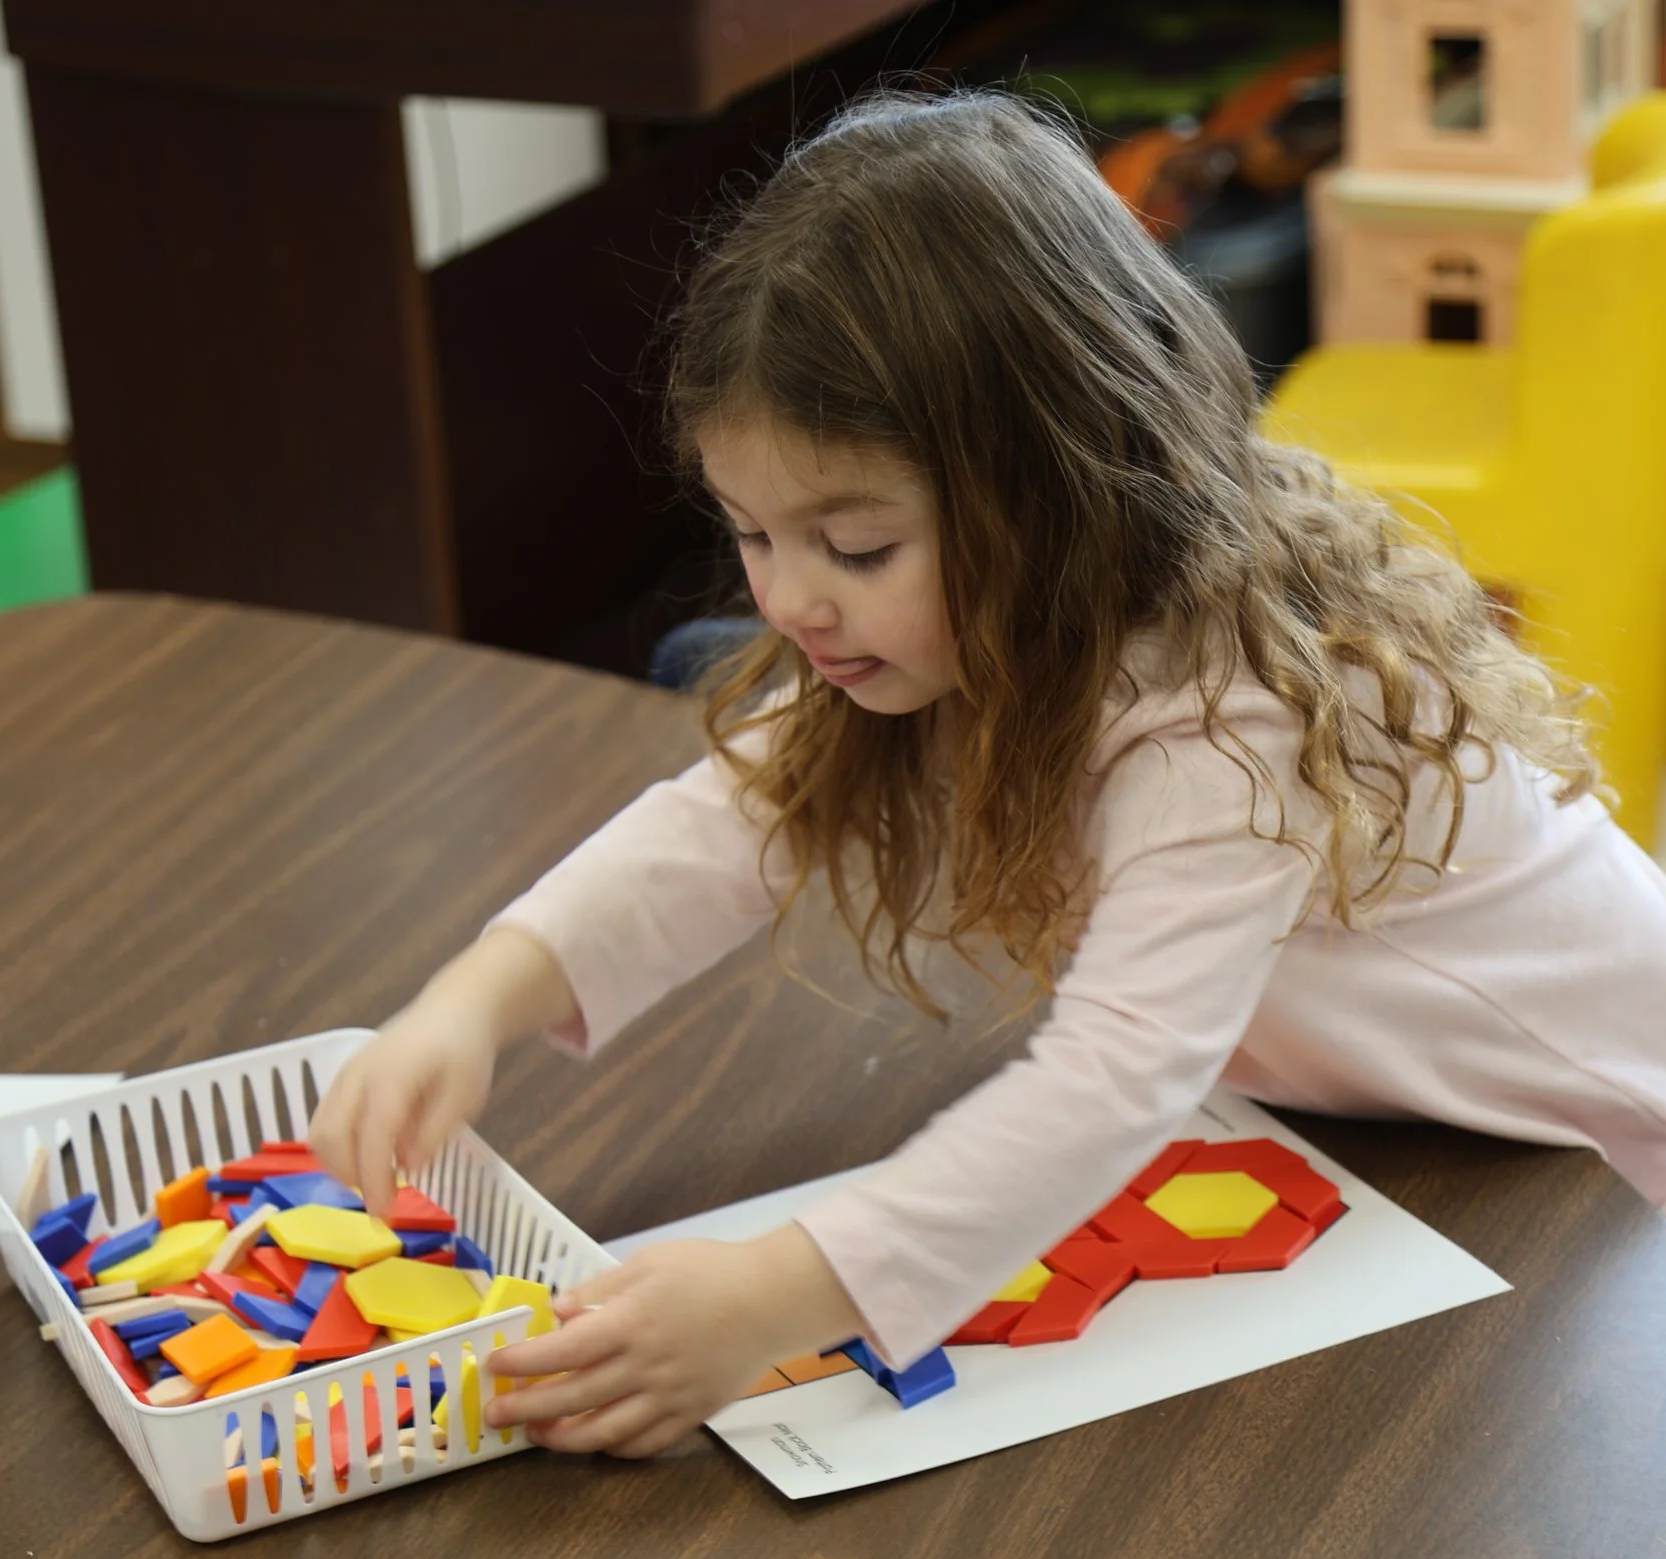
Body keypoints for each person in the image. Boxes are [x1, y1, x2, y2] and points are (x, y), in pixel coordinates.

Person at [308, 89, 1666, 1460]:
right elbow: (728, 818)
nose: (790, 602)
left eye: (852, 546)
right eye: (753, 534)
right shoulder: (969, 621)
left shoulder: (1225, 717)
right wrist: (472, 1001)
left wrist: (775, 1292)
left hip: (1602, 1166)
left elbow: (1112, 1077)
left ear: (1057, 492)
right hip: (1394, 1138)